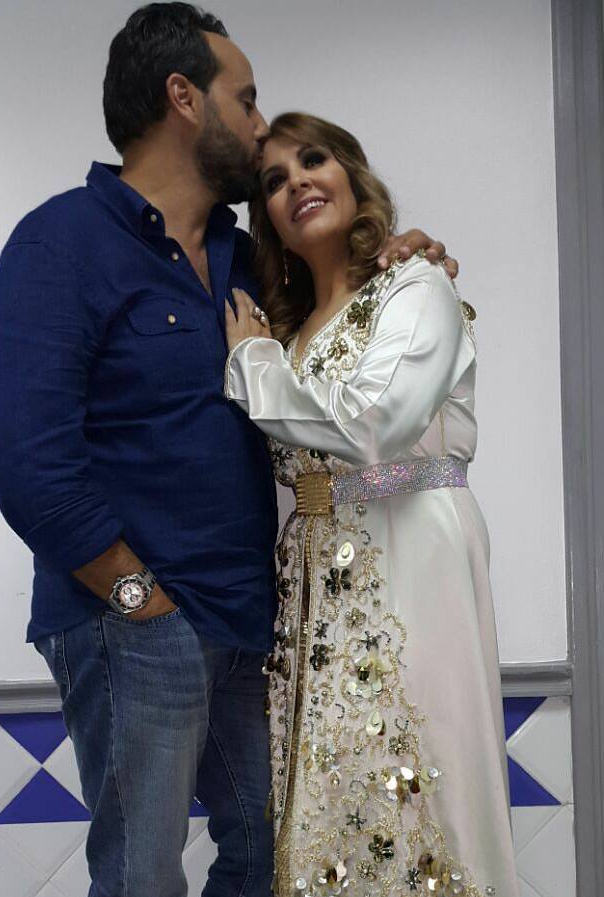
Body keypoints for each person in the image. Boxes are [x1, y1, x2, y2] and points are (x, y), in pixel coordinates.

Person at [0, 5, 457, 897]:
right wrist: (140, 600)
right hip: (133, 622)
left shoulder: (245, 258)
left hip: (252, 626)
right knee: (142, 875)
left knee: (266, 858)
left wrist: (397, 252)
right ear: (184, 99)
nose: (257, 122)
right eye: (245, 100)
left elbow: (334, 331)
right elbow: (27, 462)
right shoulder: (59, 243)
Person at [224, 112, 519, 897]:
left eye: (312, 160)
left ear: (352, 175)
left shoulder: (415, 285)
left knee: (424, 780)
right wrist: (263, 352)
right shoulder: (287, 330)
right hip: (314, 585)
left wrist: (251, 365)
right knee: (333, 803)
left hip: (411, 554)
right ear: (267, 219)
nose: (297, 183)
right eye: (275, 181)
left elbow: (372, 424)